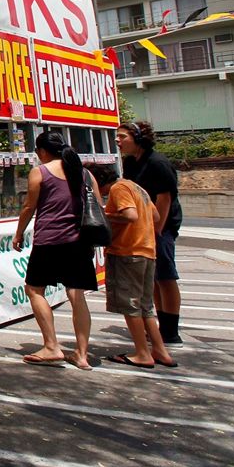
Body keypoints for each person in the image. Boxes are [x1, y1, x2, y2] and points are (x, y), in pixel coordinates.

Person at [11, 131, 98, 370]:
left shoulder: (40, 172)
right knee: (76, 295)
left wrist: (18, 234)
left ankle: (51, 346)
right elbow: (97, 206)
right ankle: (81, 354)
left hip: (49, 241)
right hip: (79, 243)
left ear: (42, 151)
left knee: (34, 289)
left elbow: (29, 206)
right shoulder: (85, 174)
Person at [86, 164, 178, 368]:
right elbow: (154, 216)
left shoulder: (119, 189)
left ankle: (142, 353)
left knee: (131, 305)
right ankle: (160, 350)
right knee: (146, 306)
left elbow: (130, 215)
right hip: (147, 250)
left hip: (127, 253)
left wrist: (103, 215)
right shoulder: (137, 188)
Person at [117, 121, 184, 344]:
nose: (118, 141)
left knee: (165, 276)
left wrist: (156, 230)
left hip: (161, 227)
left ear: (138, 138)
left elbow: (165, 199)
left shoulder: (158, 163)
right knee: (152, 277)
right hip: (144, 226)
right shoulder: (130, 163)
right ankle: (160, 325)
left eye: (123, 137)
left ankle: (171, 330)